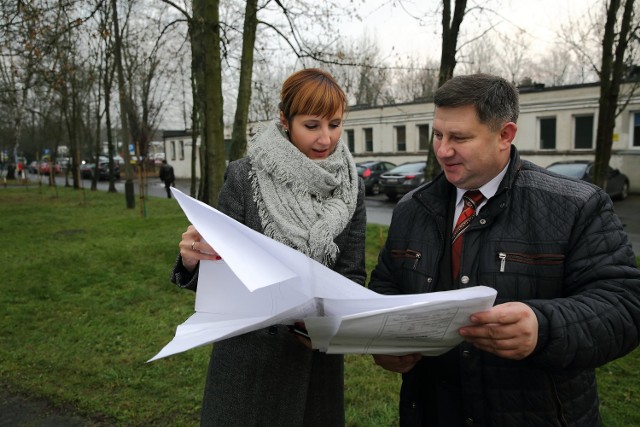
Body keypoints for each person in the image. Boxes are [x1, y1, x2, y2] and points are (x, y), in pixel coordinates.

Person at [369, 73, 640, 426]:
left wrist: (543, 329)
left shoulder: (576, 205)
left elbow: (624, 305)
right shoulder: (411, 209)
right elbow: (385, 289)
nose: (442, 150)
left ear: (505, 135)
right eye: (437, 134)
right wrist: (385, 343)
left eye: (459, 137)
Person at [171, 68, 366, 426]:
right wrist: (192, 262)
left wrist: (331, 323)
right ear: (284, 120)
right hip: (248, 368)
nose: (326, 138)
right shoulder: (244, 176)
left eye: (335, 124)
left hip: (315, 370)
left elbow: (352, 273)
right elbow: (216, 276)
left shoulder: (351, 186)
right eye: (312, 125)